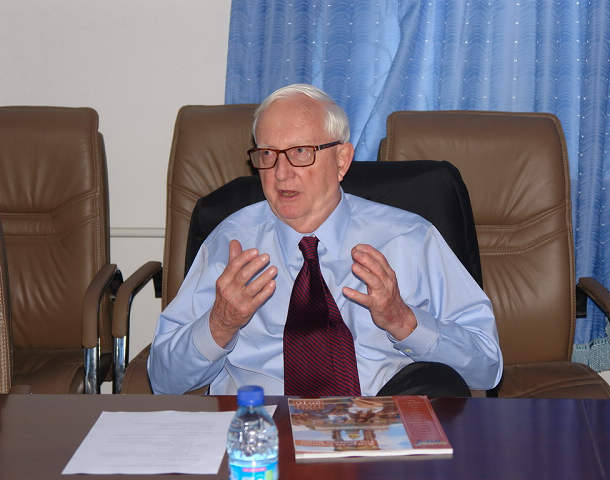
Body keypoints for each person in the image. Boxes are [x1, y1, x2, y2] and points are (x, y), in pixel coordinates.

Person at [148, 83, 503, 396]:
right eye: (268, 154)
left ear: (342, 160)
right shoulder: (230, 243)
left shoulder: (409, 239)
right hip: (261, 428)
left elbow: (486, 368)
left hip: (379, 426)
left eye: (301, 152)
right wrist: (220, 323)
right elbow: (164, 380)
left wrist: (404, 321)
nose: (281, 173)